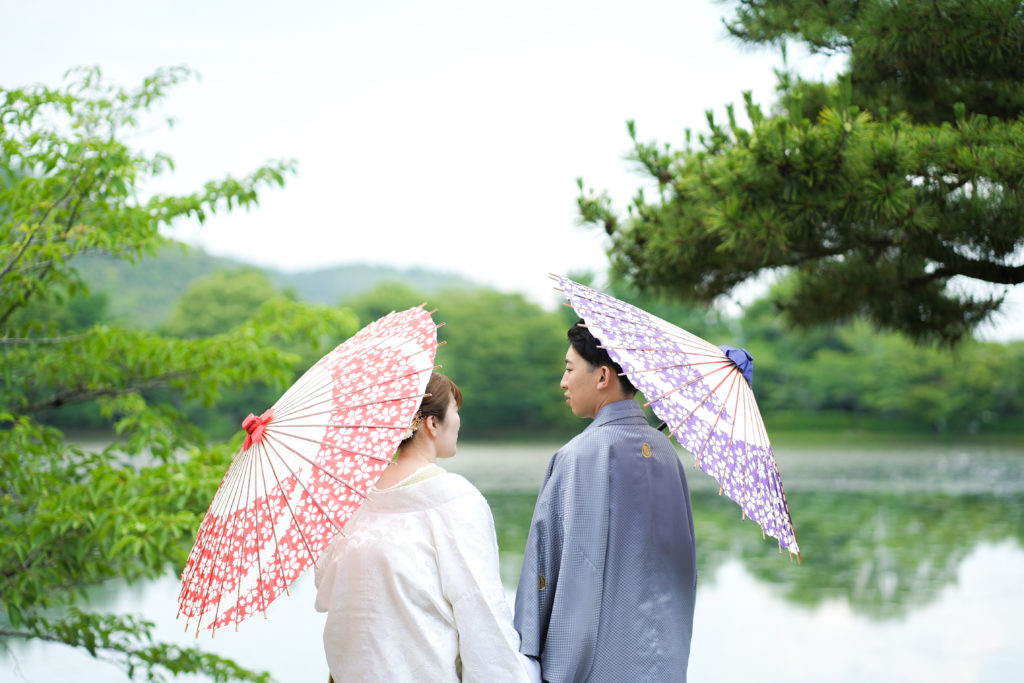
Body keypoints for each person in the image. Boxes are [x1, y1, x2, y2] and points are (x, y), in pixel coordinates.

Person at [315, 372, 537, 682]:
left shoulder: (352, 502)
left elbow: (328, 595)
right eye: (455, 411)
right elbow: (481, 612)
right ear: (432, 424)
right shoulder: (454, 500)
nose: (459, 421)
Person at [514, 321, 697, 682]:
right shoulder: (666, 453)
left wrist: (528, 653)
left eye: (569, 369)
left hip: (594, 668)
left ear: (602, 376)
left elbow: (545, 571)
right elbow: (683, 573)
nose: (563, 382)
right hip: (662, 665)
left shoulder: (577, 456)